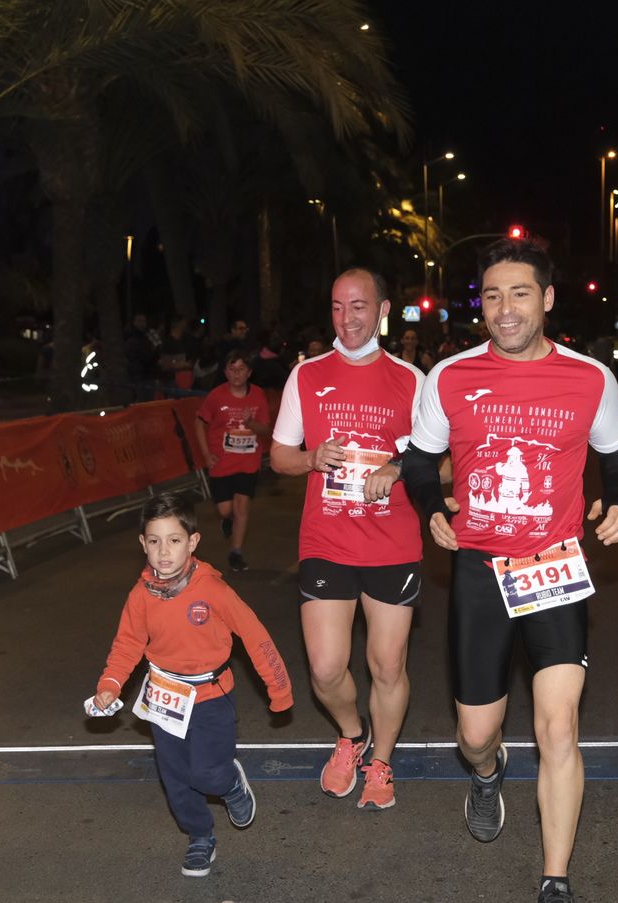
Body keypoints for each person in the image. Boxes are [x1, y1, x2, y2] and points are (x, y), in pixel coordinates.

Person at [401, 238, 618, 903]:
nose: (505, 310)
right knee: (475, 734)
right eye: (494, 296)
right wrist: (431, 507)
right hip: (478, 567)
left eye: (521, 293)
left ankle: (555, 876)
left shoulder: (590, 377)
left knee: (558, 723)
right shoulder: (448, 376)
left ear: (548, 298)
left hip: (554, 564)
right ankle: (487, 771)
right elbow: (420, 461)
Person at [270, 267, 424, 811]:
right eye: (337, 306)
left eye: (358, 306)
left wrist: (398, 467)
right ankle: (351, 737)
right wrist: (312, 458)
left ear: (383, 311)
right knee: (326, 668)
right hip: (327, 538)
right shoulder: (306, 376)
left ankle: (381, 761)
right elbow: (279, 455)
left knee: (387, 665)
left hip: (391, 541)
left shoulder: (411, 379)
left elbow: (441, 462)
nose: (346, 317)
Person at [88, 492, 292, 878]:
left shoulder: (213, 590)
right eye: (154, 541)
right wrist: (111, 684)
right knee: (176, 778)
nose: (164, 552)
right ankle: (200, 836)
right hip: (165, 698)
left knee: (207, 774)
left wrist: (278, 689)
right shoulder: (141, 596)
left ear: (193, 542)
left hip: (212, 697)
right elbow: (128, 643)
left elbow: (255, 636)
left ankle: (230, 783)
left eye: (174, 540)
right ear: (142, 544)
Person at [195, 351, 271, 572]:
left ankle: (236, 552)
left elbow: (265, 430)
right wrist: (206, 454)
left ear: (249, 372)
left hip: (248, 461)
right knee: (225, 509)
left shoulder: (258, 395)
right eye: (232, 369)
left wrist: (250, 422)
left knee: (242, 506)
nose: (236, 374)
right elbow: (199, 423)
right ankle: (226, 520)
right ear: (225, 371)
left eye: (241, 369)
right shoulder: (216, 396)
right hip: (222, 461)